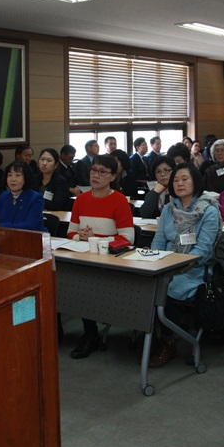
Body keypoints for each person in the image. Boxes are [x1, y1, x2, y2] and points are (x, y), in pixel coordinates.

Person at [149, 163, 222, 367]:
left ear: (196, 181)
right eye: (176, 180)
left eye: (185, 179)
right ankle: (149, 335)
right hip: (167, 265)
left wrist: (173, 268)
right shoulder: (169, 208)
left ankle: (167, 340)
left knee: (167, 286)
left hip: (195, 269)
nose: (179, 183)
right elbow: (159, 240)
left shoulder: (208, 210)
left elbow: (203, 252)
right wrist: (156, 262)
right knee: (146, 282)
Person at [67, 154, 135, 359]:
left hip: (109, 260)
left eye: (102, 172)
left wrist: (96, 239)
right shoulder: (81, 199)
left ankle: (90, 335)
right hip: (85, 256)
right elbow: (70, 232)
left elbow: (127, 238)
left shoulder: (119, 200)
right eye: (93, 170)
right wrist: (81, 236)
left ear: (113, 176)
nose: (96, 175)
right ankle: (82, 331)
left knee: (86, 282)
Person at [0, 160, 45, 231]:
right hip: (7, 237)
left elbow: (29, 225)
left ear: (26, 178)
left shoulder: (35, 198)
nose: (13, 179)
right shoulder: (4, 196)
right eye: (9, 175)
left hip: (32, 238)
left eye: (18, 175)